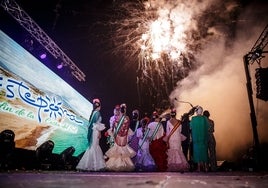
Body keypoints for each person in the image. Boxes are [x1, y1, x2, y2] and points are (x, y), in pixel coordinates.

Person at [76, 98, 106, 171]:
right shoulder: (97, 113)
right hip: (95, 132)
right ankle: (94, 166)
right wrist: (99, 132)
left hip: (94, 132)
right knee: (94, 147)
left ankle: (89, 165)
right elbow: (96, 125)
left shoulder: (94, 113)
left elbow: (94, 124)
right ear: (98, 105)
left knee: (93, 147)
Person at [105, 103, 136, 171]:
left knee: (119, 150)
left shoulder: (119, 118)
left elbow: (114, 128)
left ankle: (119, 164)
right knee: (120, 150)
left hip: (120, 136)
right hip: (121, 137)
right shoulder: (124, 118)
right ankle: (120, 164)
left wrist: (111, 132)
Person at [190, 106, 209, 172]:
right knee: (204, 152)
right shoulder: (205, 118)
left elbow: (190, 127)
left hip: (196, 139)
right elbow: (208, 127)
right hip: (203, 139)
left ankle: (199, 167)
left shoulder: (193, 119)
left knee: (197, 153)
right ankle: (205, 167)